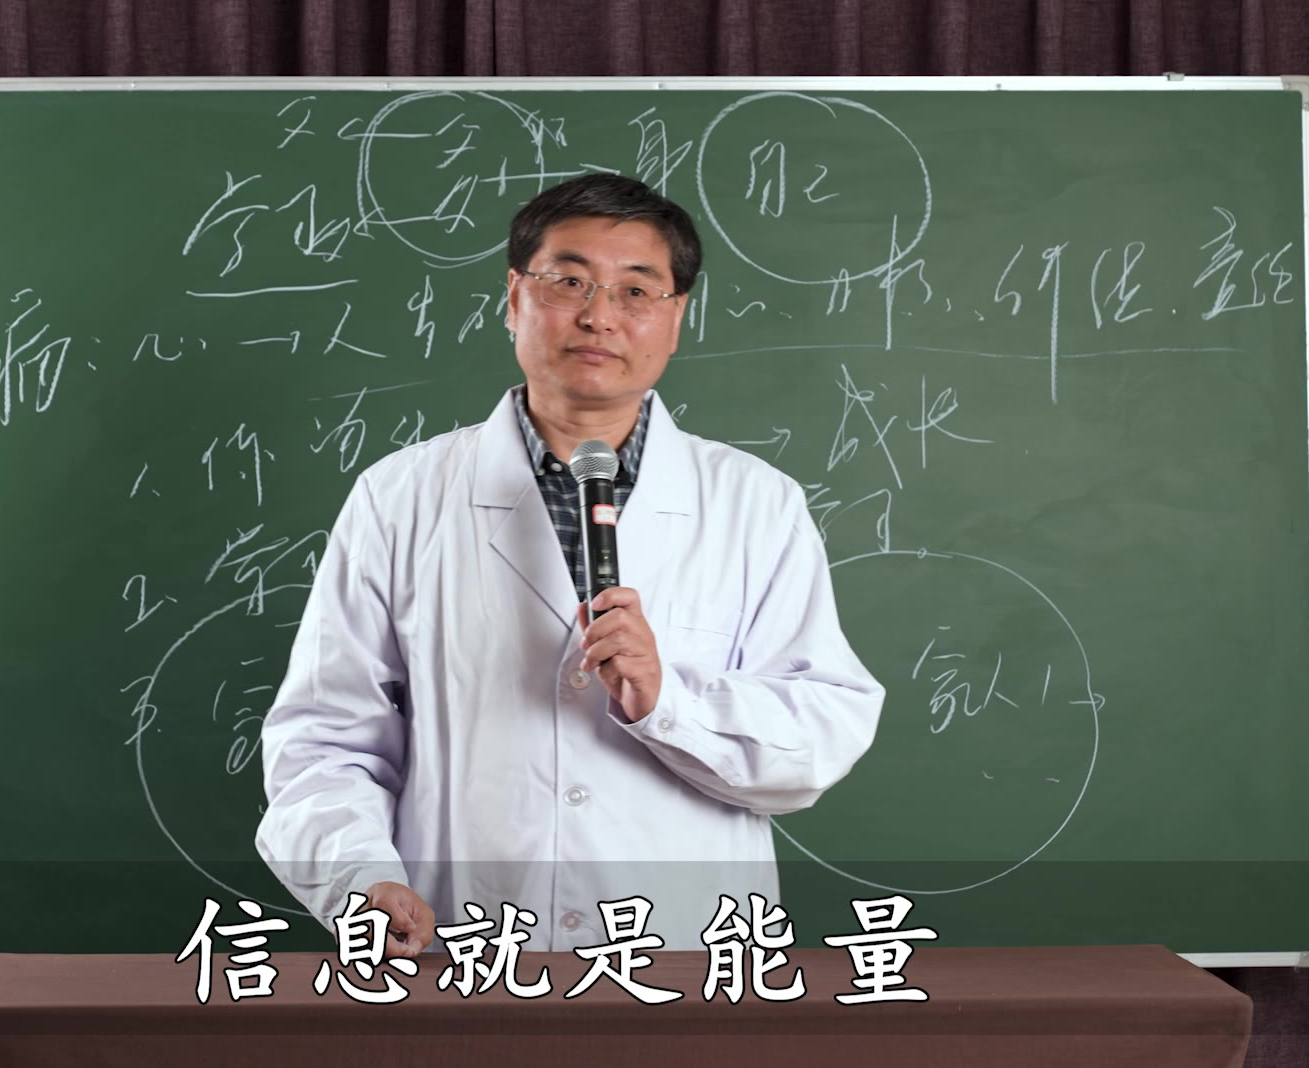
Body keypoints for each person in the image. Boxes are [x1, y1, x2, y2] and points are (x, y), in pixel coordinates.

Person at [255, 173, 884, 956]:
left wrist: (668, 701)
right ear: (514, 296)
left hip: (685, 947)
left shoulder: (756, 502)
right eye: (569, 282)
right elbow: (325, 739)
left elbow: (819, 736)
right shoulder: (401, 496)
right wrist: (358, 880)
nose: (599, 316)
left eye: (636, 291)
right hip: (464, 936)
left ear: (676, 318)